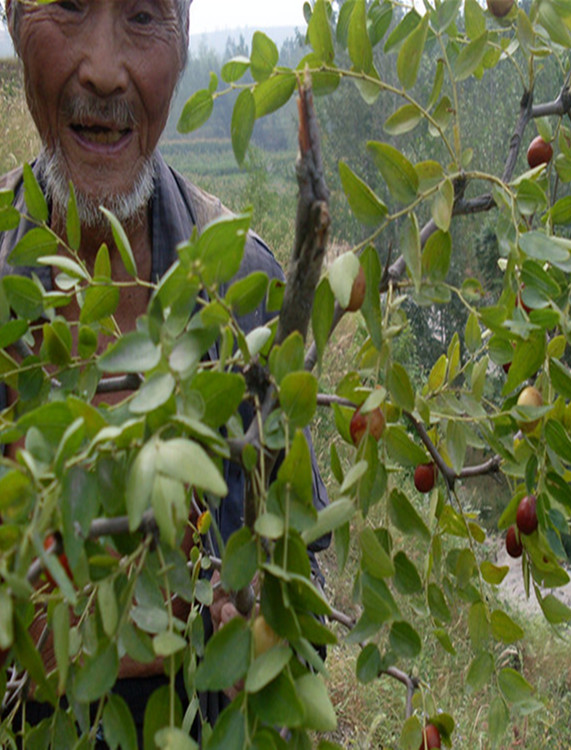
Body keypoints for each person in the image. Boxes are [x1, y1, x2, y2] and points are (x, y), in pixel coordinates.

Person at [0, 0, 329, 743]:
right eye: (71, 6)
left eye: (145, 15)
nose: (105, 70)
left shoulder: (244, 286)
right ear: (12, 20)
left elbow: (299, 560)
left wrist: (248, 617)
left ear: (181, 44)